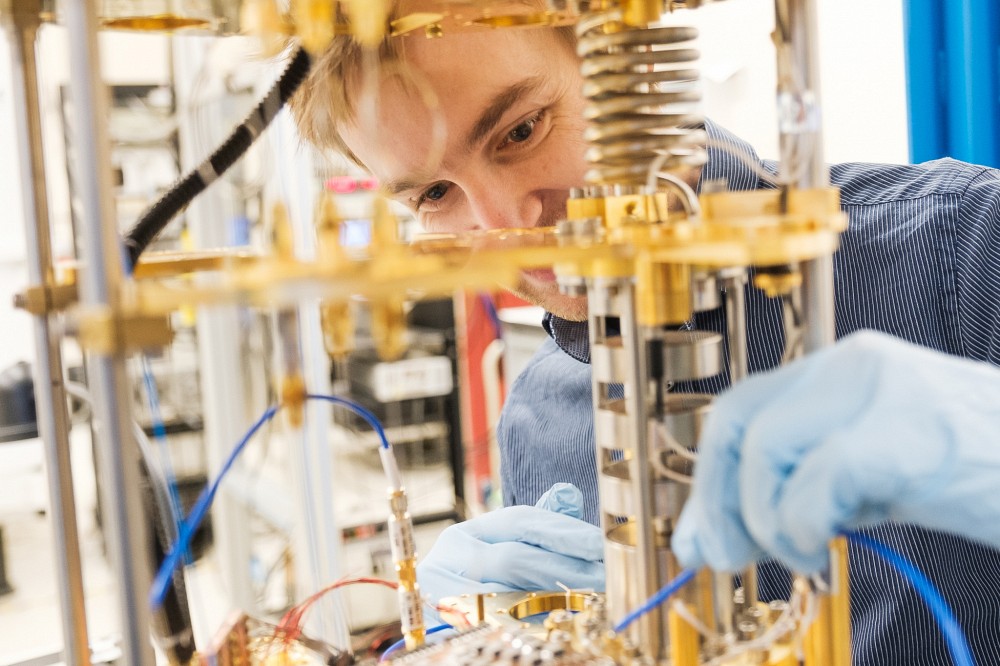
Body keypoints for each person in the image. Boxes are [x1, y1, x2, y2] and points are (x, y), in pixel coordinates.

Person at [289, 7, 1000, 664]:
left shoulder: (961, 251)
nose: (509, 220)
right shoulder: (538, 418)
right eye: (434, 194)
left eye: (521, 130)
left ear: (635, 64)